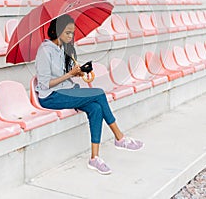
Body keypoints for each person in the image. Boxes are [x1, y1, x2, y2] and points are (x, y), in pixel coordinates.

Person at [35, 14, 144, 175]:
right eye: (67, 33)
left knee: (95, 108)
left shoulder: (61, 49)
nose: (71, 36)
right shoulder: (45, 51)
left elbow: (62, 76)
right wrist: (69, 74)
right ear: (56, 31)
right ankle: (120, 138)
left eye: (72, 33)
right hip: (51, 97)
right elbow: (45, 84)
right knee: (99, 93)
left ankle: (94, 158)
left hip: (66, 91)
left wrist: (76, 73)